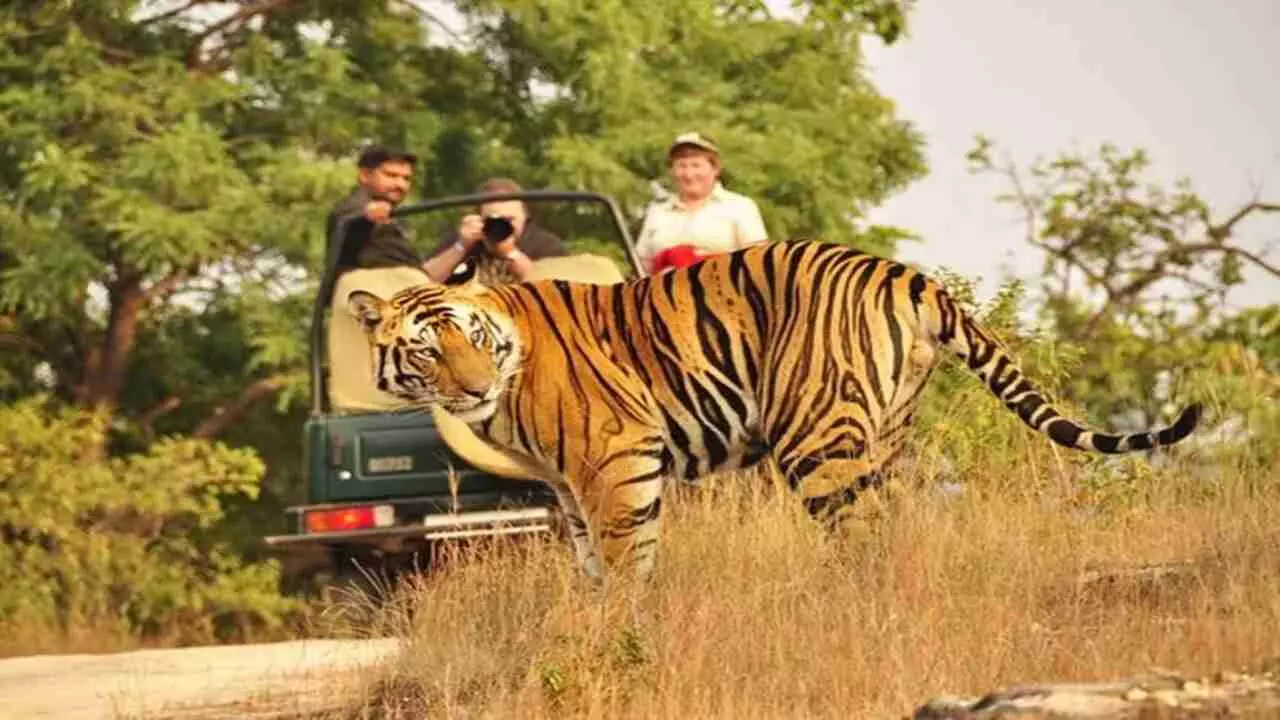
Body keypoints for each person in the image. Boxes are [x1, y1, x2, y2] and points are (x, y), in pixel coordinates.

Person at [634, 132, 769, 274]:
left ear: (715, 169)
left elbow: (758, 266)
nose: (689, 174)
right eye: (681, 166)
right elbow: (641, 267)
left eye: (696, 165)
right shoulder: (657, 212)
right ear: (672, 171)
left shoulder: (740, 207)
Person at [424, 177, 569, 285]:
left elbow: (557, 290)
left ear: (525, 217)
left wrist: (511, 254)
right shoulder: (463, 241)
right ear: (478, 217)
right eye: (493, 219)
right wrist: (460, 247)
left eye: (510, 220)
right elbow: (422, 282)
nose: (501, 226)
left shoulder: (545, 244)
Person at [325, 145, 426, 276]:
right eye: (391, 175)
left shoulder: (396, 224)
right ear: (365, 175)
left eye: (406, 178)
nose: (400, 185)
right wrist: (368, 215)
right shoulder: (350, 212)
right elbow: (349, 220)